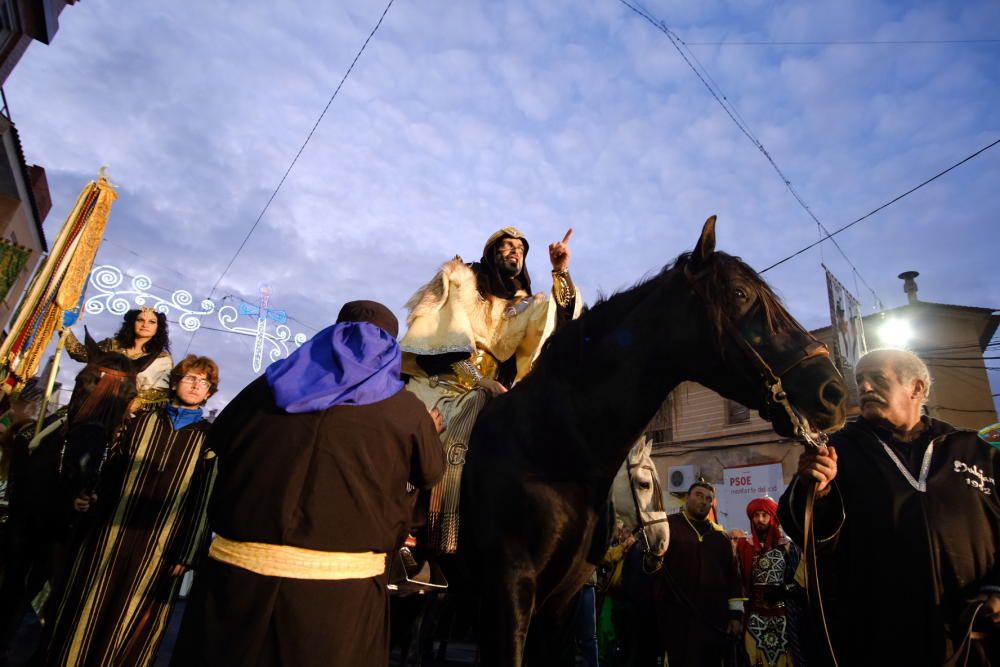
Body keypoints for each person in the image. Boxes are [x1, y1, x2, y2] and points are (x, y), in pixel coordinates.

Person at [170, 300, 445, 667]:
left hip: (235, 588)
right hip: (339, 602)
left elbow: (220, 440)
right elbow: (430, 473)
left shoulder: (265, 388)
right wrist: (428, 430)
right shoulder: (406, 410)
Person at [779, 348, 1000, 666]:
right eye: (860, 380)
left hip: (972, 639)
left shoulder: (976, 449)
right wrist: (818, 490)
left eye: (878, 379)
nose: (864, 387)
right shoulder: (837, 450)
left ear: (917, 388)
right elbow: (802, 530)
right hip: (875, 641)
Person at [400, 227, 581, 552]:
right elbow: (435, 338)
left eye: (521, 249)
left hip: (495, 390)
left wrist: (561, 272)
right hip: (441, 380)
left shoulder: (528, 305)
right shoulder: (460, 280)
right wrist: (476, 380)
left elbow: (562, 326)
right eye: (508, 246)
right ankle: (407, 529)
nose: (515, 252)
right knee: (422, 431)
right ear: (491, 251)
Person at [41, 354, 219, 667]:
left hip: (159, 547)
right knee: (88, 606)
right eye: (190, 377)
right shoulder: (140, 421)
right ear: (176, 381)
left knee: (133, 619)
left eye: (203, 382)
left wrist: (187, 553)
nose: (195, 385)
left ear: (208, 393)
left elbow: (204, 500)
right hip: (109, 532)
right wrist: (89, 495)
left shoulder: (209, 440)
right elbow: (110, 469)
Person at [654, 481, 744, 667]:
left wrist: (735, 617)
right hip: (677, 619)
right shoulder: (668, 528)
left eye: (708, 499)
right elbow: (653, 570)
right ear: (687, 497)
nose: (703, 501)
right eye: (699, 495)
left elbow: (733, 579)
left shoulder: (721, 539)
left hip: (713, 621)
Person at [64, 307, 173, 412]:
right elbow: (80, 353)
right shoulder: (112, 345)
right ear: (132, 323)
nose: (145, 325)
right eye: (140, 320)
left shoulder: (162, 359)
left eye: (152, 322)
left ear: (158, 327)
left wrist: (131, 404)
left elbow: (159, 396)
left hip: (128, 413)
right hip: (91, 403)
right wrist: (64, 329)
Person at [735, 497, 795, 667]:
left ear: (772, 518)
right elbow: (737, 582)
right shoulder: (744, 546)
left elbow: (801, 581)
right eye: (756, 516)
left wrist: (785, 591)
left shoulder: (788, 546)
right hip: (755, 618)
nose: (759, 520)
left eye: (764, 515)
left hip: (783, 619)